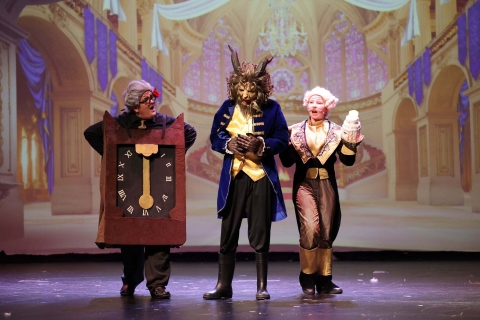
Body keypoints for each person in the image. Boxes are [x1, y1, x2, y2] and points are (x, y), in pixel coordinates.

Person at [84, 80, 197, 299]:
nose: (153, 102)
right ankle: (131, 280)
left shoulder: (164, 122)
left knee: (160, 235)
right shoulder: (121, 124)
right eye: (147, 99)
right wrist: (112, 157)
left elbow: (189, 133)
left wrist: (173, 156)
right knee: (130, 234)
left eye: (153, 97)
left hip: (159, 187)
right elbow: (92, 133)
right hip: (130, 186)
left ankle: (157, 284)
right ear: (135, 106)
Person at [203, 46, 289, 300]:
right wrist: (228, 145)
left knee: (260, 230)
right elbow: (215, 136)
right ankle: (223, 286)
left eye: (251, 90)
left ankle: (261, 287)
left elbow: (282, 138)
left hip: (261, 176)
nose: (246, 95)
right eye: (242, 90)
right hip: (234, 176)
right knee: (228, 230)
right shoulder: (227, 108)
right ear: (235, 88)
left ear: (260, 89)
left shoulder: (272, 109)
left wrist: (262, 145)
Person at [279, 86, 363, 295]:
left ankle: (324, 279)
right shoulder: (296, 130)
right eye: (312, 102)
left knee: (326, 231)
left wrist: (351, 143)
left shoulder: (337, 131)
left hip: (327, 184)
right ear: (307, 105)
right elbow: (287, 162)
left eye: (319, 102)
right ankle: (307, 275)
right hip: (304, 185)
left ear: (328, 106)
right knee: (310, 229)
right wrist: (286, 143)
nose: (315, 105)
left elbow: (347, 161)